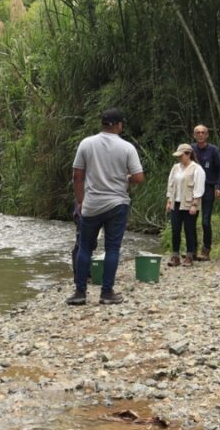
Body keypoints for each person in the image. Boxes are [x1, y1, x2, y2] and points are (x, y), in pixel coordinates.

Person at [66, 108, 145, 306]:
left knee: (85, 247)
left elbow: (77, 176)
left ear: (102, 124)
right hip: (117, 204)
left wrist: (80, 201)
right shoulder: (127, 147)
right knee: (112, 249)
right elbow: (138, 177)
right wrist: (124, 178)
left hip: (91, 204)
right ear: (119, 125)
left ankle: (80, 293)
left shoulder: (87, 143)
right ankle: (107, 293)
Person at [165, 143, 206, 267]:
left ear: (188, 154)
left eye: (181, 155)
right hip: (176, 203)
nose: (179, 158)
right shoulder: (175, 167)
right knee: (175, 230)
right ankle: (175, 256)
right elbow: (170, 184)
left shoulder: (197, 169)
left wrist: (195, 204)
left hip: (189, 204)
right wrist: (168, 201)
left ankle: (189, 256)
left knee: (189, 230)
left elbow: (199, 188)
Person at [191, 125, 220, 261]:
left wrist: (218, 186)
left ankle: (206, 249)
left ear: (207, 135)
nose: (200, 135)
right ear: (194, 135)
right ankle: (191, 250)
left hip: (208, 188)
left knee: (205, 221)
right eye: (197, 133)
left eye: (203, 132)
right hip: (193, 189)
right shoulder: (190, 149)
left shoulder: (214, 150)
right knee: (191, 220)